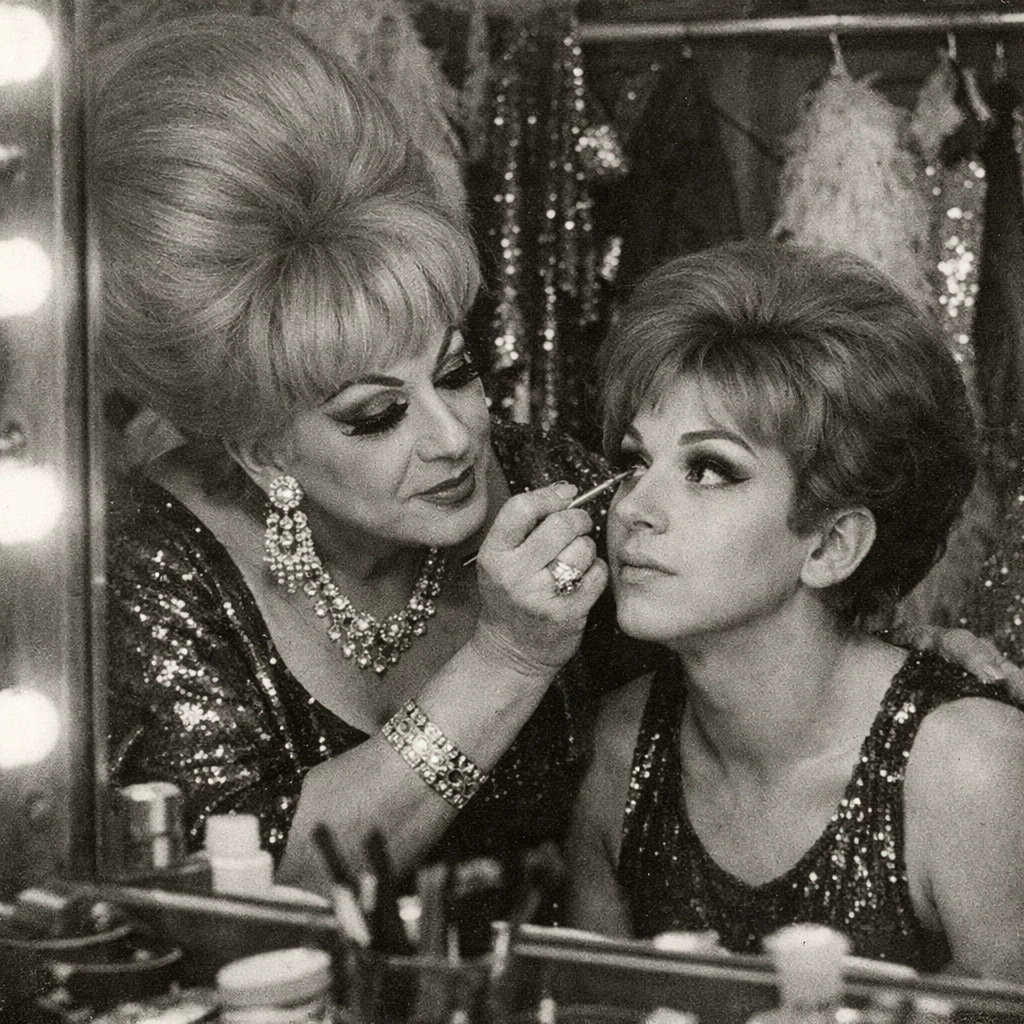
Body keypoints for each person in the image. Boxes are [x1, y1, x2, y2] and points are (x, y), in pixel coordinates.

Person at [91, 16, 1019, 897]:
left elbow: (749, 604)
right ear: (261, 450)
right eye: (377, 416)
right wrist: (504, 661)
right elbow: (225, 895)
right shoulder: (158, 567)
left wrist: (894, 661)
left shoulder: (547, 487)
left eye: (455, 374)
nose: (456, 437)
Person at [566, 240, 1024, 981]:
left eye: (709, 470)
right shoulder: (622, 747)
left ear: (833, 545)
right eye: (633, 463)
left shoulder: (969, 767)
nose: (635, 510)